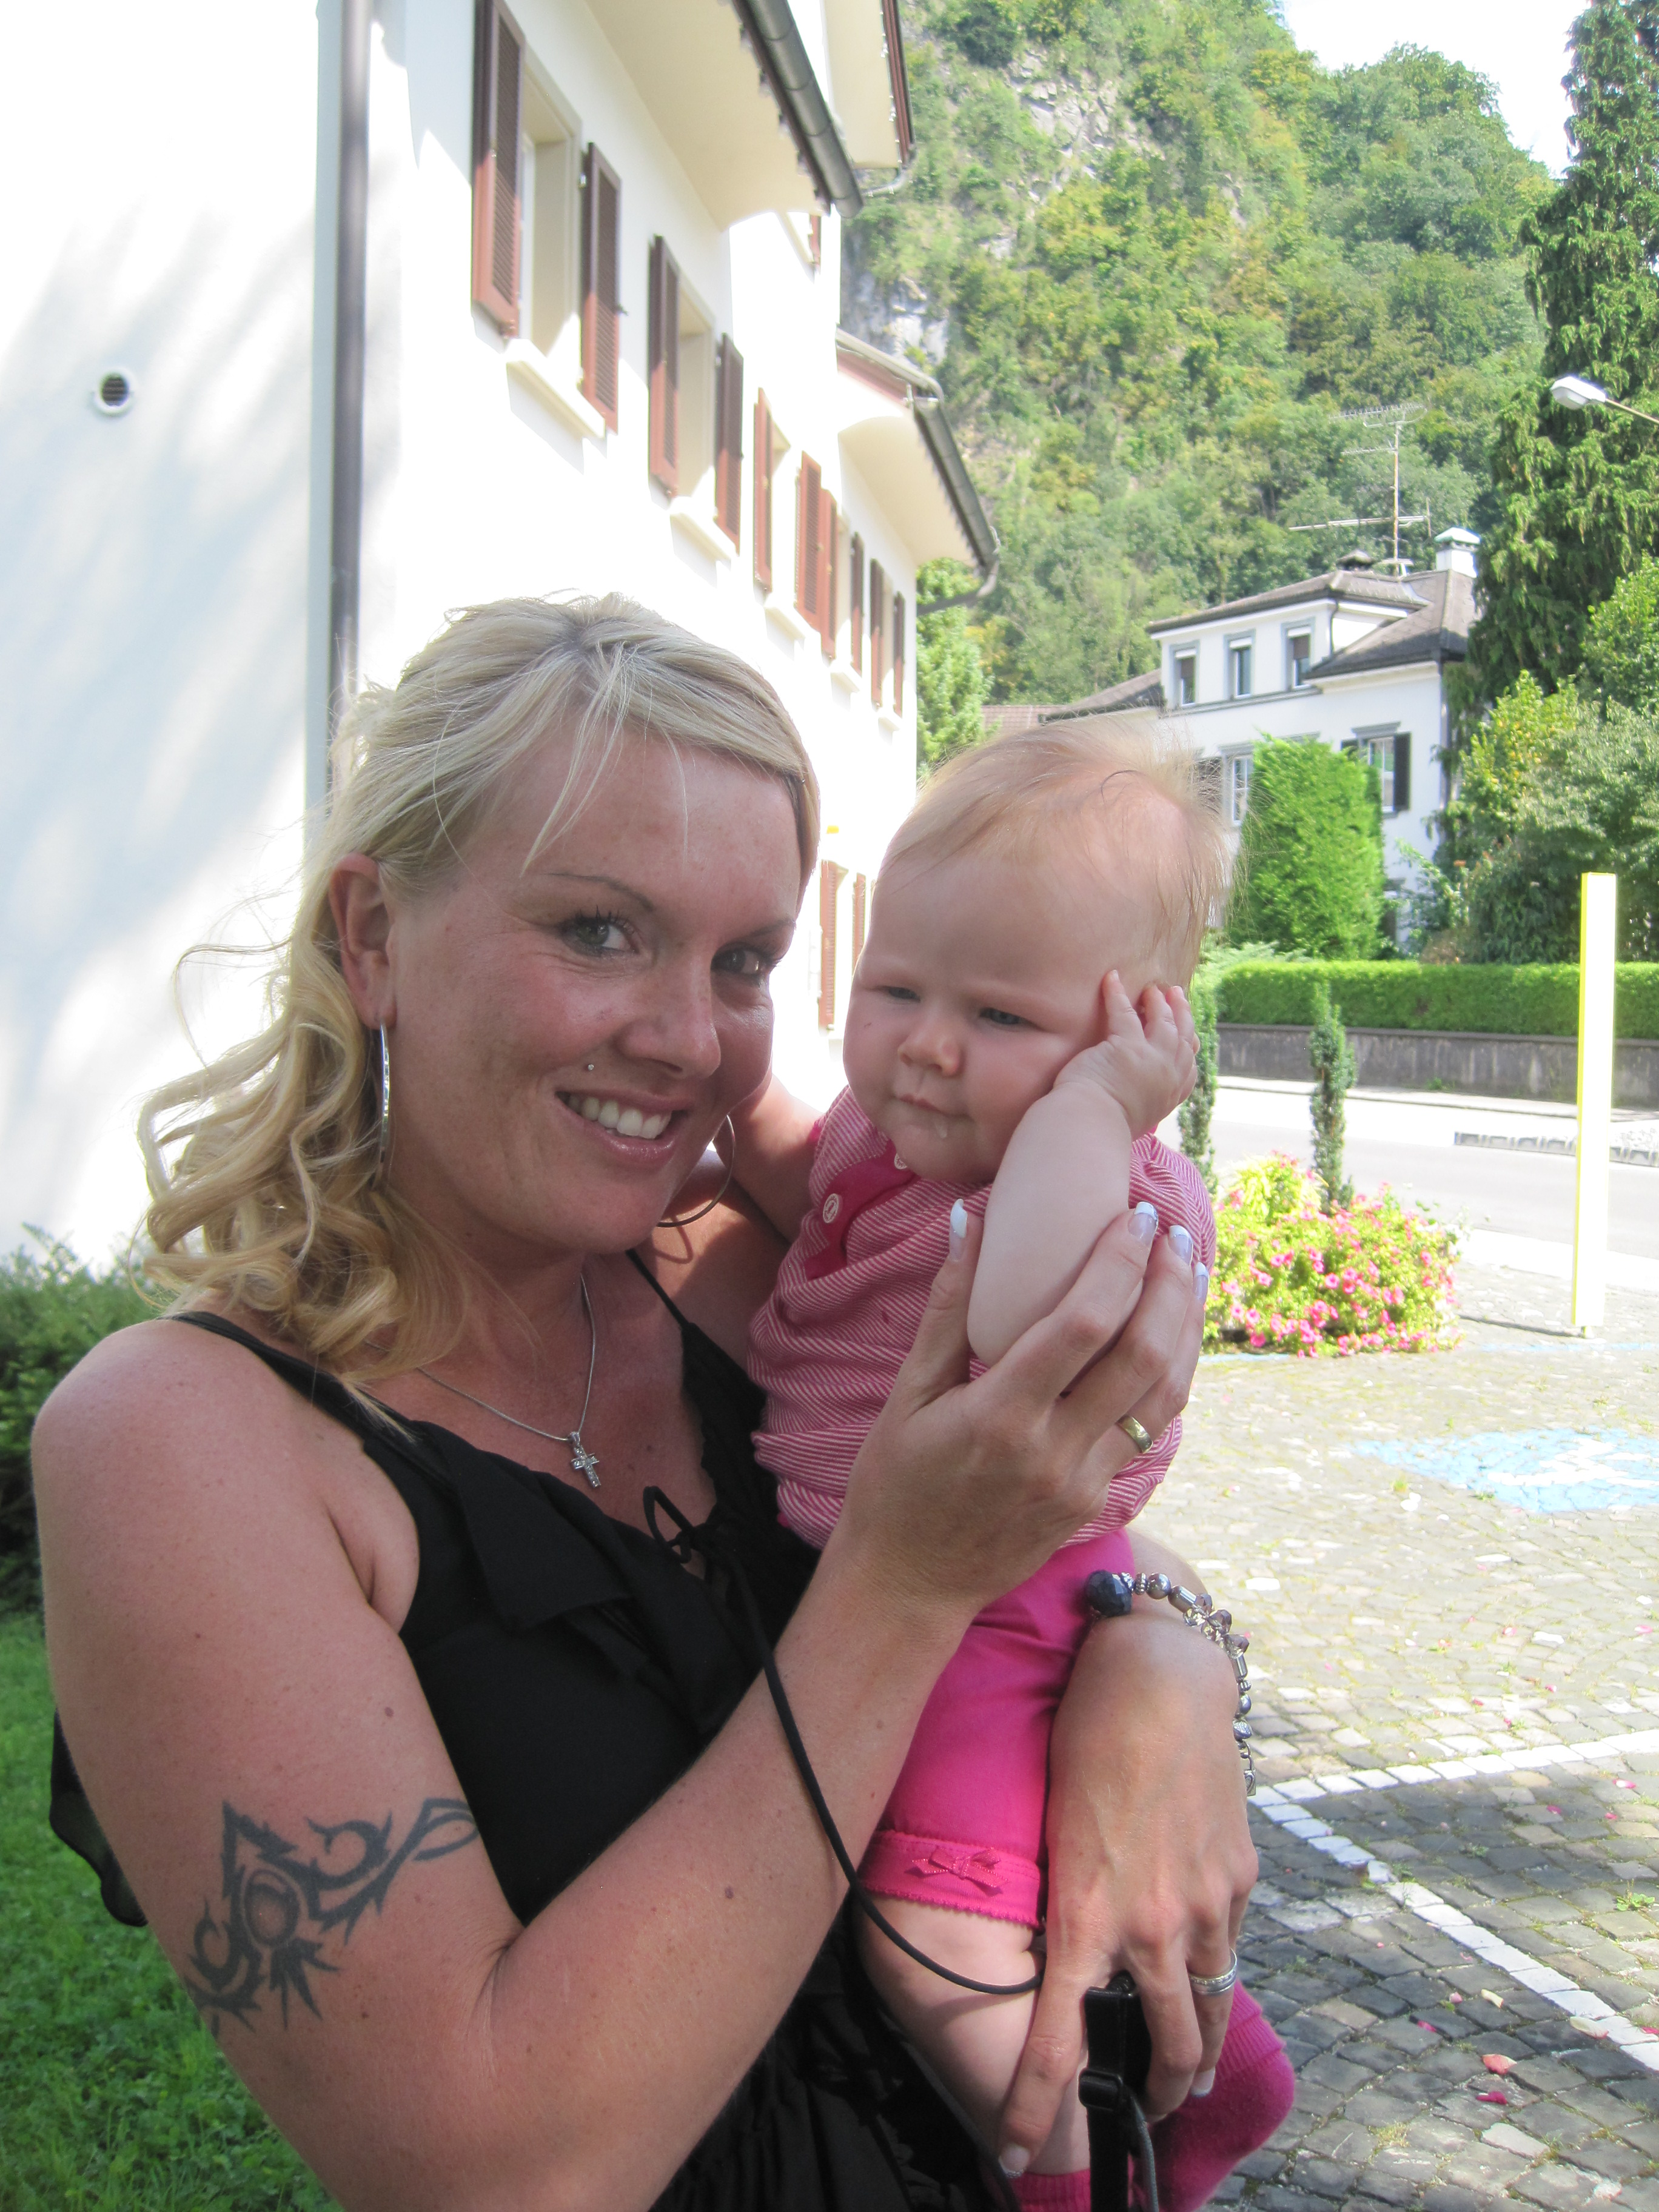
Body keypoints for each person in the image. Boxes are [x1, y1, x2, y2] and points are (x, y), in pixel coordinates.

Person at [35, 595, 1262, 2212]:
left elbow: (1034, 1526)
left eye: (744, 960)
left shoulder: (733, 1276)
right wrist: (900, 1587)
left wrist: (1161, 1659)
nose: (690, 1040)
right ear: (374, 937)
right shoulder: (187, 1443)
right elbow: (486, 2179)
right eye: (599, 931)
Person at [737, 725, 1293, 2207]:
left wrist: (1094, 1110)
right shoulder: (912, 1138)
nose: (927, 1044)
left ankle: (1069, 2171)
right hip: (936, 1575)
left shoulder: (1103, 1178)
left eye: (997, 1012)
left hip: (997, 1598)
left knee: (933, 1933)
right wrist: (726, 1113)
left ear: (1136, 1030)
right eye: (896, 989)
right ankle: (1222, 2071)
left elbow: (1012, 1311)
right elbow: (821, 1202)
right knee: (1022, 1891)